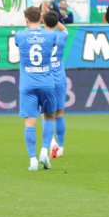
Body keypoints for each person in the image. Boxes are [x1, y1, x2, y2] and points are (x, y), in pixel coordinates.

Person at [15, 6, 59, 171]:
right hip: (47, 82)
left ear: (26, 19)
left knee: (29, 123)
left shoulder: (20, 35)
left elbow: (19, 44)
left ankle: (32, 159)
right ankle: (44, 151)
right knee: (48, 118)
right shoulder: (50, 35)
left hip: (27, 84)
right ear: (40, 18)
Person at [43, 10, 70, 159]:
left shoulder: (40, 36)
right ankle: (60, 146)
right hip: (59, 78)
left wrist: (43, 16)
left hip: (45, 78)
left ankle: (51, 142)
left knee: (45, 114)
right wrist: (52, 18)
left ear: (44, 22)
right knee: (59, 114)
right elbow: (64, 29)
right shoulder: (62, 36)